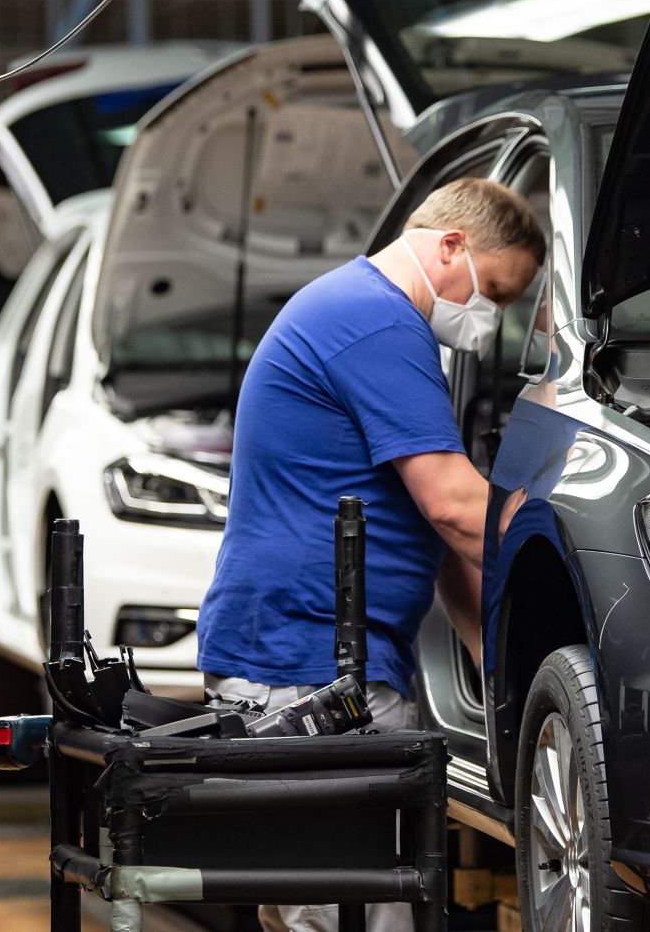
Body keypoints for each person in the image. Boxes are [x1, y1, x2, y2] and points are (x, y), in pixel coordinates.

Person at [198, 177, 544, 932]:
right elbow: (453, 503)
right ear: (450, 245)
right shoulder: (375, 322)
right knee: (354, 913)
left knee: (337, 906)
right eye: (494, 292)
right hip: (307, 666)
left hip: (316, 658)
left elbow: (440, 536)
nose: (491, 318)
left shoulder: (365, 314)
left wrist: (500, 656)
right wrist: (555, 536)